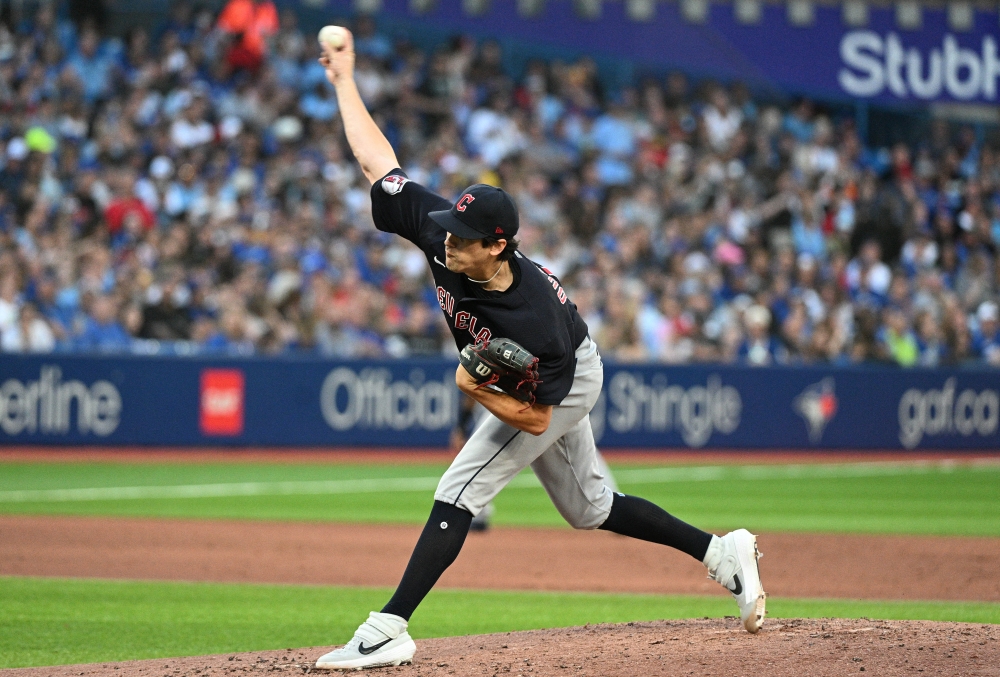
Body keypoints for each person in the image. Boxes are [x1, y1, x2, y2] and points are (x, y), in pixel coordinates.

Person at [313, 29, 767, 672]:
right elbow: (377, 165)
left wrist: (477, 390)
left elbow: (536, 418)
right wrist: (344, 81)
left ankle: (388, 627)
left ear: (497, 245)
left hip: (566, 376)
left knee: (461, 485)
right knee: (592, 508)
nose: (446, 243)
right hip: (542, 374)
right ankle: (725, 554)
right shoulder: (443, 232)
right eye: (449, 230)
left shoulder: (534, 319)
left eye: (464, 239)